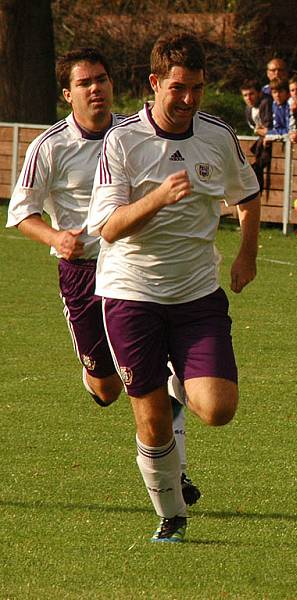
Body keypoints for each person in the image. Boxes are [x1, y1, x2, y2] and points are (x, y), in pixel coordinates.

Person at [6, 47, 202, 508]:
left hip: (137, 269)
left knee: (161, 375)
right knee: (108, 388)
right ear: (67, 94)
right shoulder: (49, 146)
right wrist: (57, 237)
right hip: (83, 273)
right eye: (84, 83)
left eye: (102, 79)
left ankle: (176, 473)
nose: (96, 89)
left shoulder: (138, 134)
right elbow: (21, 214)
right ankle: (94, 371)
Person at [87, 33, 261, 543]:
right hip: (130, 295)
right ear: (154, 83)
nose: (188, 100)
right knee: (155, 423)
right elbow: (109, 228)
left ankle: (177, 377)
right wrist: (159, 197)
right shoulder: (122, 141)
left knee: (218, 409)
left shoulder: (217, 136)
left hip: (197, 295)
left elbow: (247, 196)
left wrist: (247, 253)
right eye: (178, 88)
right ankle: (171, 515)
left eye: (198, 89)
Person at [240, 79, 271, 190]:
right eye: (245, 95)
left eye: (251, 94)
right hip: (261, 141)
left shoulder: (266, 102)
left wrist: (261, 131)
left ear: (259, 93)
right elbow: (255, 128)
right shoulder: (248, 109)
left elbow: (269, 128)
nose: (248, 98)